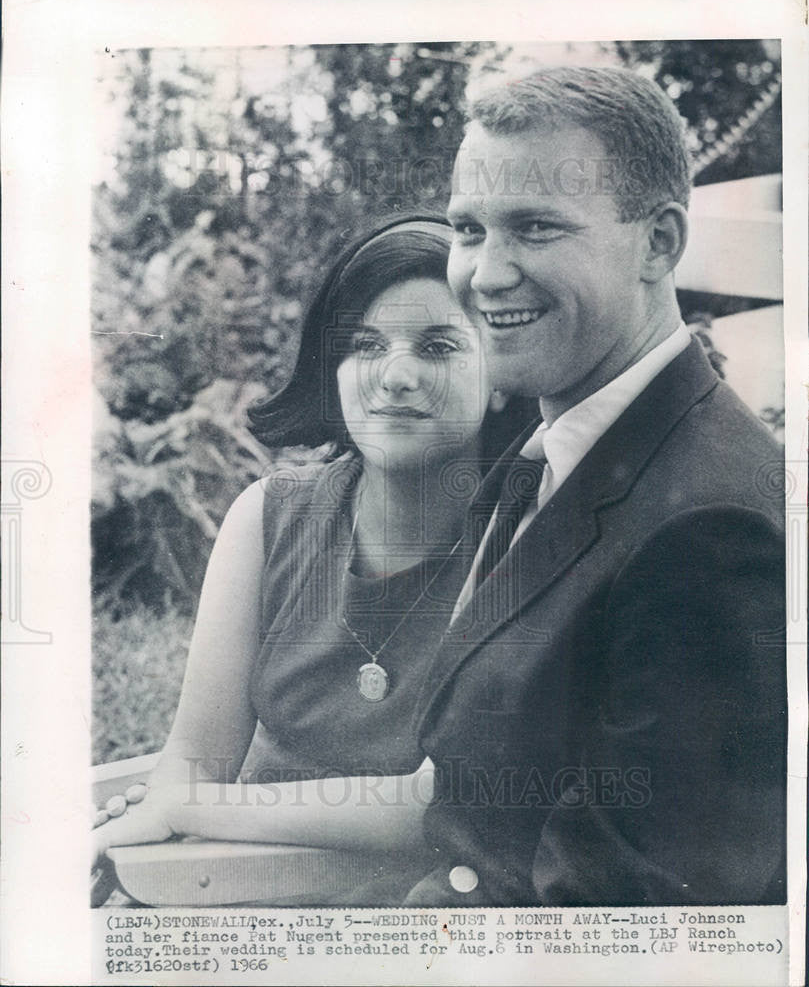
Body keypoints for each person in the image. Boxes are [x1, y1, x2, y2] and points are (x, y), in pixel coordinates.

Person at [403, 66, 787, 906]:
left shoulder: (709, 530)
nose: (486, 274)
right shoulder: (555, 457)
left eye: (535, 229)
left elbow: (623, 927)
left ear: (658, 243)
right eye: (467, 230)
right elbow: (478, 798)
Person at [91, 214, 536, 905]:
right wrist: (169, 816)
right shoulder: (268, 518)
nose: (394, 376)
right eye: (365, 345)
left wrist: (184, 810)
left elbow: (441, 803)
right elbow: (193, 763)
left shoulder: (521, 536)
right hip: (233, 893)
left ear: (501, 376)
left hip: (415, 927)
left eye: (438, 346)